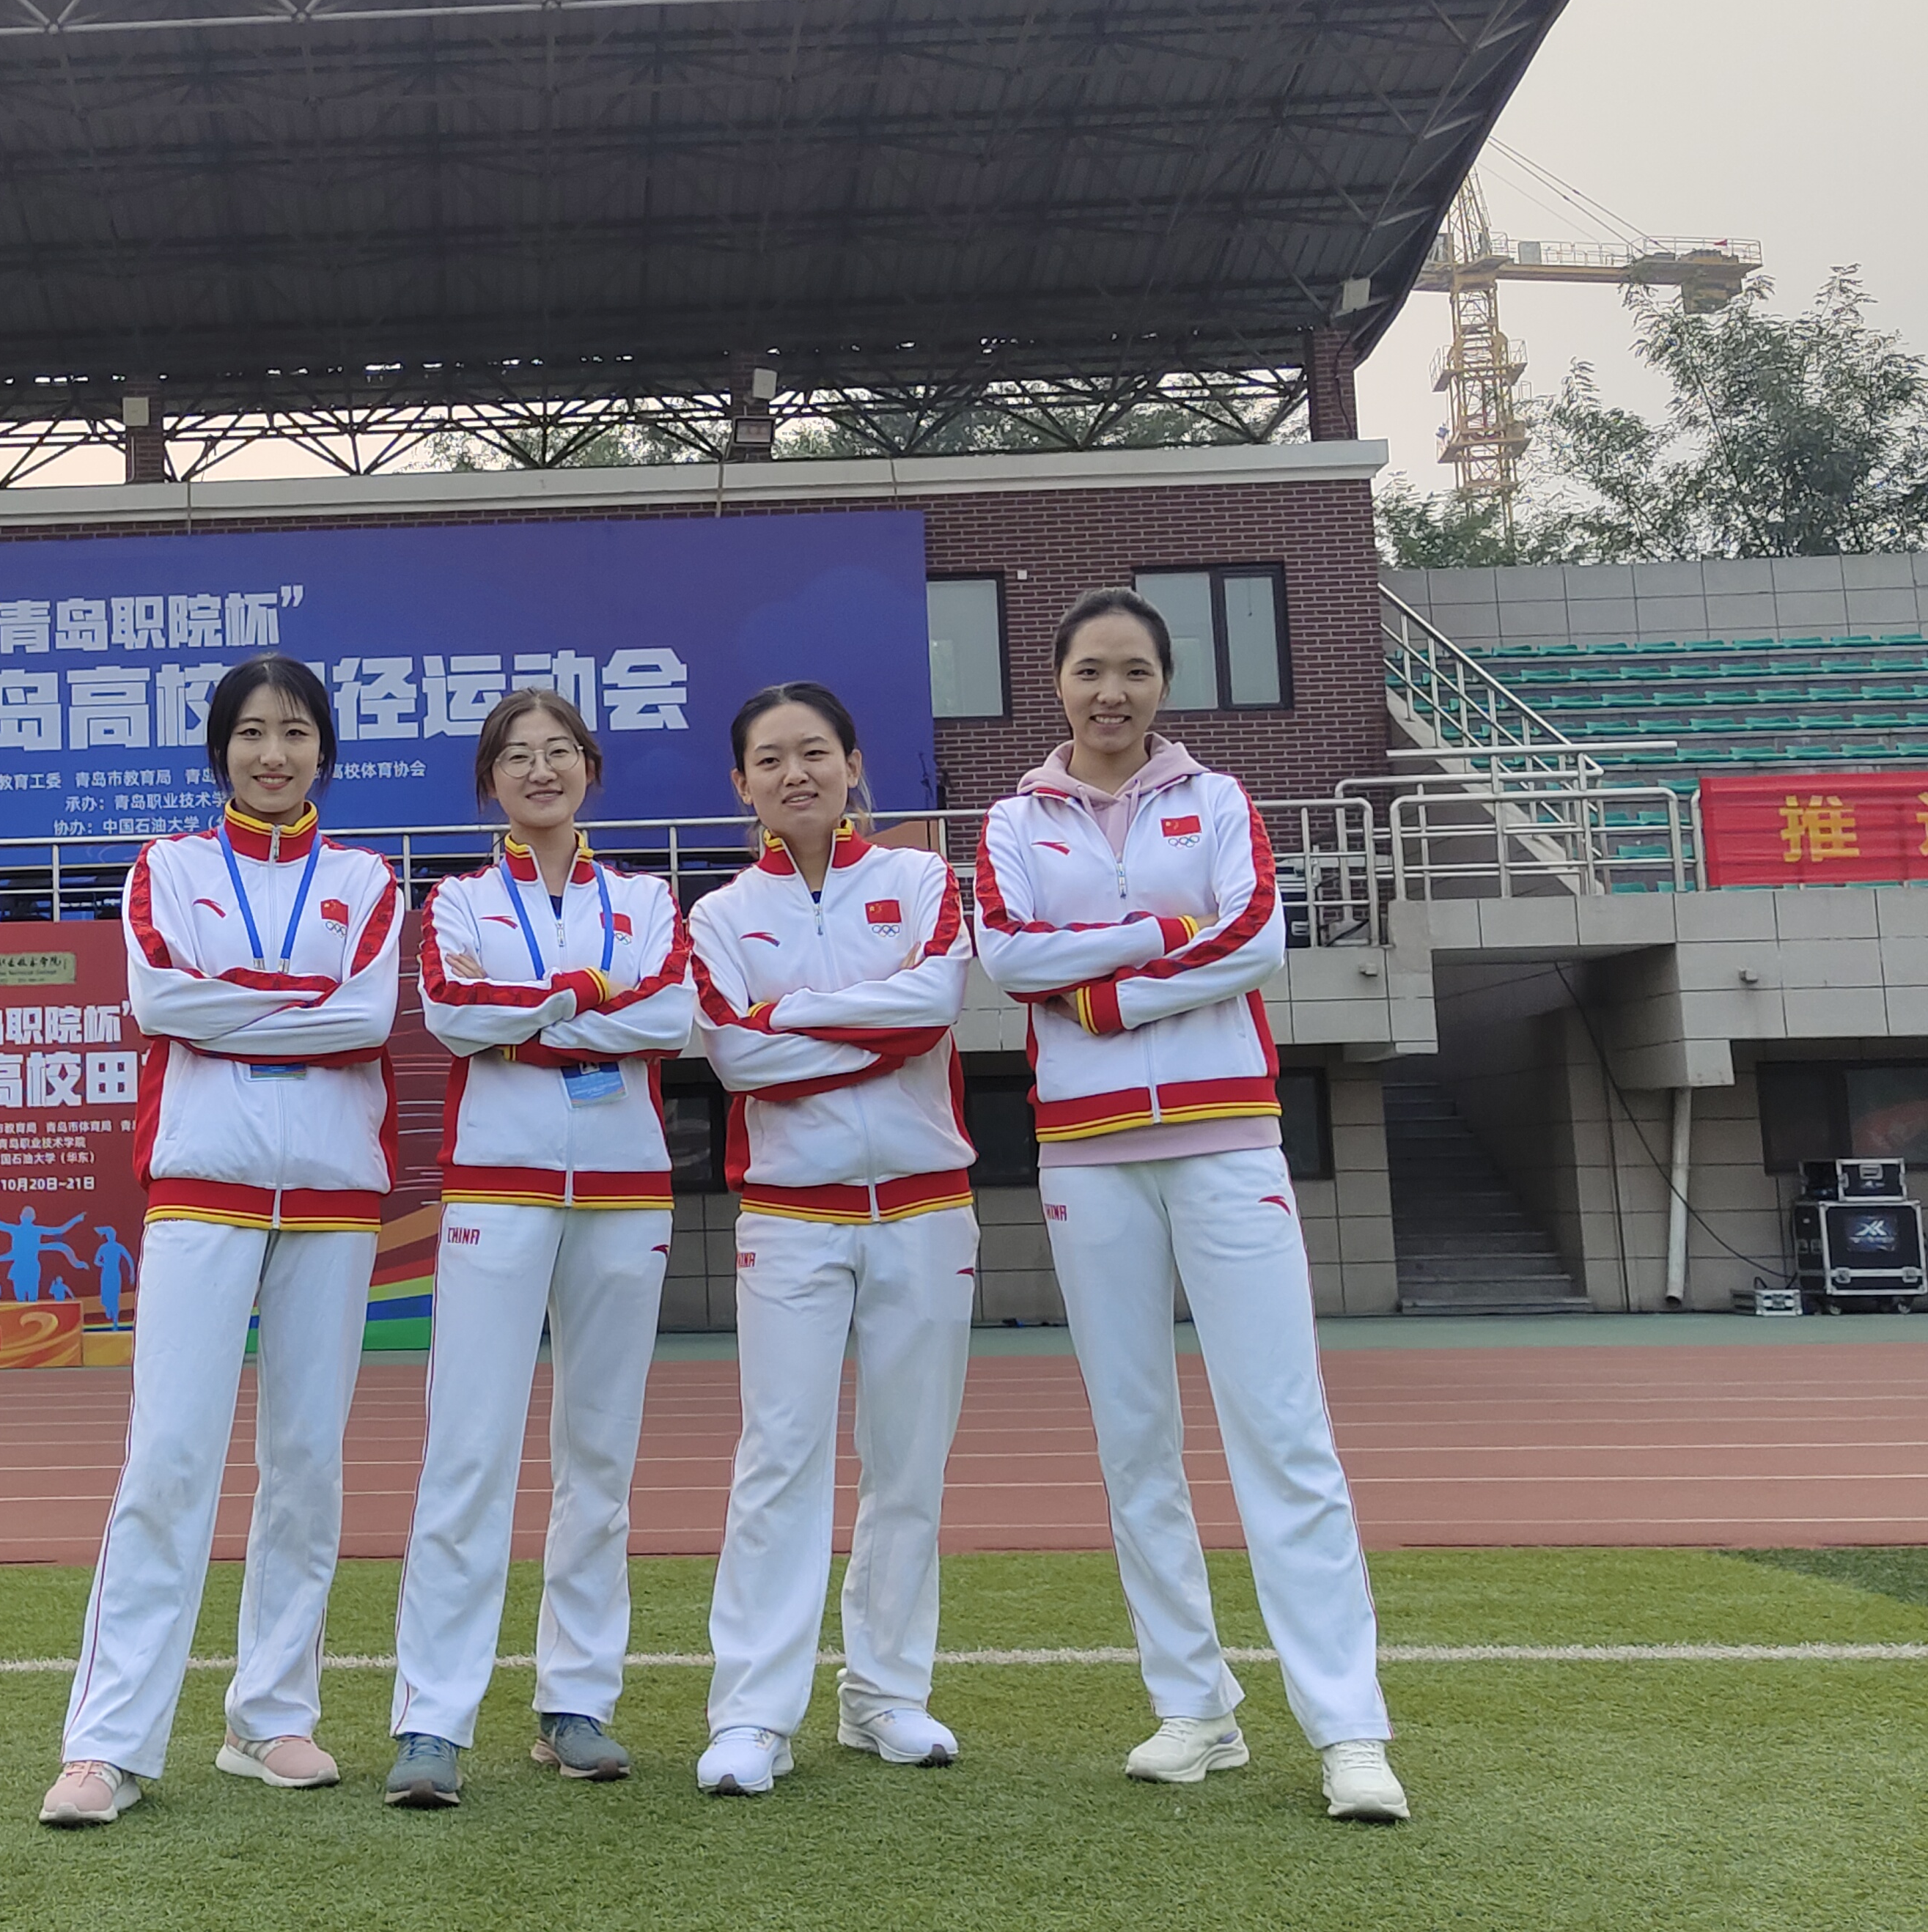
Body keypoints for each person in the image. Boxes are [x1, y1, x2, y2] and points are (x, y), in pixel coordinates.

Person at [971, 587, 1406, 1824]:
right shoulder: (1013, 820)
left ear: (1164, 684)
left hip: (1226, 1143)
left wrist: (1110, 993)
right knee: (1135, 1441)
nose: (1112, 693)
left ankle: (1349, 1731)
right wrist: (1168, 929)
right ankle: (1195, 1708)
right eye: (1090, 671)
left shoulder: (1217, 800)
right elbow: (1008, 955)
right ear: (1057, 682)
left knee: (1284, 1433)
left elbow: (1257, 937)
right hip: (1087, 1155)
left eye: (1135, 671)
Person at [41, 655, 402, 1829]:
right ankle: (108, 1744)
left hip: (333, 1197)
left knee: (306, 1463)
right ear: (220, 753)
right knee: (170, 1458)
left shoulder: (366, 880)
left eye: (295, 733)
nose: (273, 754)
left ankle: (271, 1718)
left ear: (324, 753)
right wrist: (301, 1004)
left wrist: (233, 1002)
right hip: (202, 1186)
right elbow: (161, 1003)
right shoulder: (169, 867)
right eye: (251, 733)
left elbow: (370, 1018)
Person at [383, 688, 697, 1808]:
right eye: (516, 756)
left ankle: (577, 1704)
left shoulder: (645, 897)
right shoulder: (459, 899)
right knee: (469, 1453)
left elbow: (671, 1016)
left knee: (599, 1459)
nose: (540, 770)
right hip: (499, 1190)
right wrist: (589, 995)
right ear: (491, 781)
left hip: (624, 1193)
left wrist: (533, 1021)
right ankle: (433, 1720)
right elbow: (455, 1014)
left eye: (558, 751)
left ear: (589, 769)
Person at [685, 682, 977, 1796]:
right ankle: (753, 1714)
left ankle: (886, 1694)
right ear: (741, 785)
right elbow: (736, 1057)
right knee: (780, 1457)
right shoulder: (719, 916)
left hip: (924, 1203)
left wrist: (792, 1019)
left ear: (854, 765)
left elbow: (932, 1008)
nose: (794, 773)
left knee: (908, 1458)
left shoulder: (919, 879)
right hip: (792, 1214)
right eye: (770, 759)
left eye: (815, 752)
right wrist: (868, 1019)